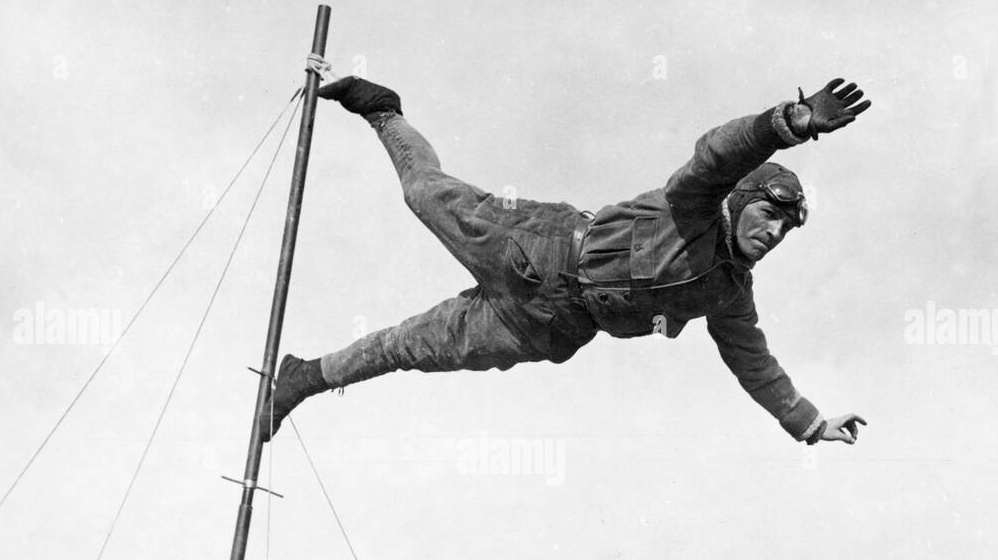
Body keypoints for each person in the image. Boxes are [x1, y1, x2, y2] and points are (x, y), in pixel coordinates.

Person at [260, 74, 872, 444]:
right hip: (537, 248)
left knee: (410, 348)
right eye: (770, 216)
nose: (774, 234)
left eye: (787, 230)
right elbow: (718, 153)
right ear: (741, 202)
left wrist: (811, 424)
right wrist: (790, 123)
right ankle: (384, 110)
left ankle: (304, 377)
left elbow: (756, 365)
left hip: (547, 326)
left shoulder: (730, 296)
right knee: (424, 193)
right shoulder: (694, 204)